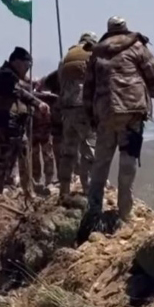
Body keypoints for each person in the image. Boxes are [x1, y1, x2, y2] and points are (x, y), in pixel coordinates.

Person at [83, 17, 154, 222]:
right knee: (128, 163)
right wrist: (150, 94)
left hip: (105, 113)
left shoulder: (96, 53)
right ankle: (125, 213)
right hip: (132, 112)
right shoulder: (137, 47)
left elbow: (88, 88)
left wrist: (91, 115)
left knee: (100, 164)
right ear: (125, 29)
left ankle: (93, 210)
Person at [0, 47, 49, 197]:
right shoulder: (5, 76)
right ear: (17, 62)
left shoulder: (11, 76)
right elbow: (19, 92)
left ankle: (29, 191)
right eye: (27, 64)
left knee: (24, 157)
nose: (28, 69)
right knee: (3, 161)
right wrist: (38, 103)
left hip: (16, 125)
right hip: (5, 125)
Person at [57, 32, 98, 197]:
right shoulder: (92, 55)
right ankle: (88, 190)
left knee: (68, 152)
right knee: (89, 151)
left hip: (67, 109)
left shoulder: (67, 57)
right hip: (84, 109)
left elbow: (60, 81)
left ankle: (64, 189)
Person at [30, 79, 57, 190]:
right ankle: (36, 180)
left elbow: (56, 97)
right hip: (34, 132)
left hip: (45, 132)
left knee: (48, 156)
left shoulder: (47, 97)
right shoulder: (30, 97)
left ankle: (48, 180)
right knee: (34, 157)